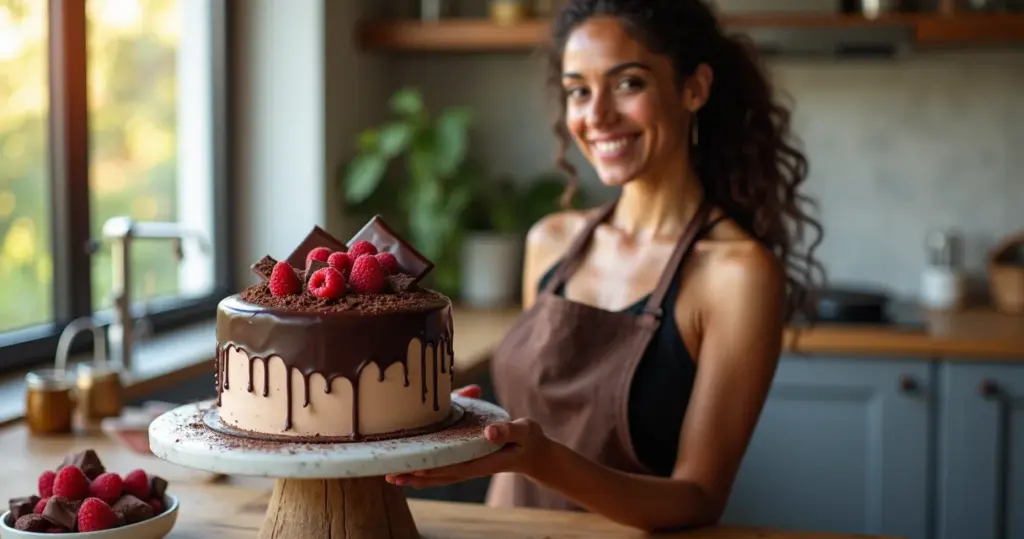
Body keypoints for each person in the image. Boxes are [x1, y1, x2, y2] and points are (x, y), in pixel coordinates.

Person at [385, 0, 825, 532]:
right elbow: (531, 413)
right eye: (578, 91)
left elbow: (699, 499)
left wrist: (542, 459)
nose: (596, 116)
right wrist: (465, 425)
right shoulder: (551, 242)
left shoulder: (737, 275)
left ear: (694, 88)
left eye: (628, 84)